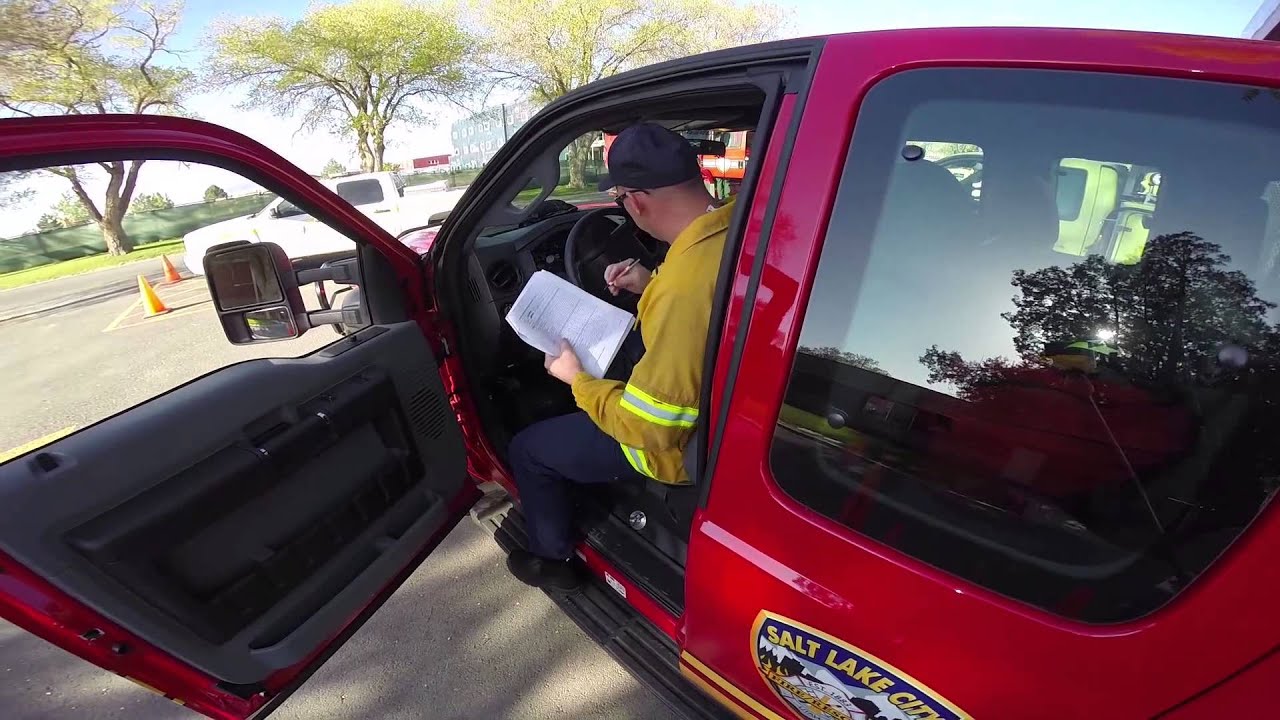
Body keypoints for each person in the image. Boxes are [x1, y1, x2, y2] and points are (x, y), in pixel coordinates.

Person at [505, 123, 734, 591]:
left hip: (674, 450)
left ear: (636, 200)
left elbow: (651, 428)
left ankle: (552, 559)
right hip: (720, 397)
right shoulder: (728, 226)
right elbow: (707, 316)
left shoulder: (684, 288)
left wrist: (577, 382)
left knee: (529, 450)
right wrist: (649, 284)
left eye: (620, 200)